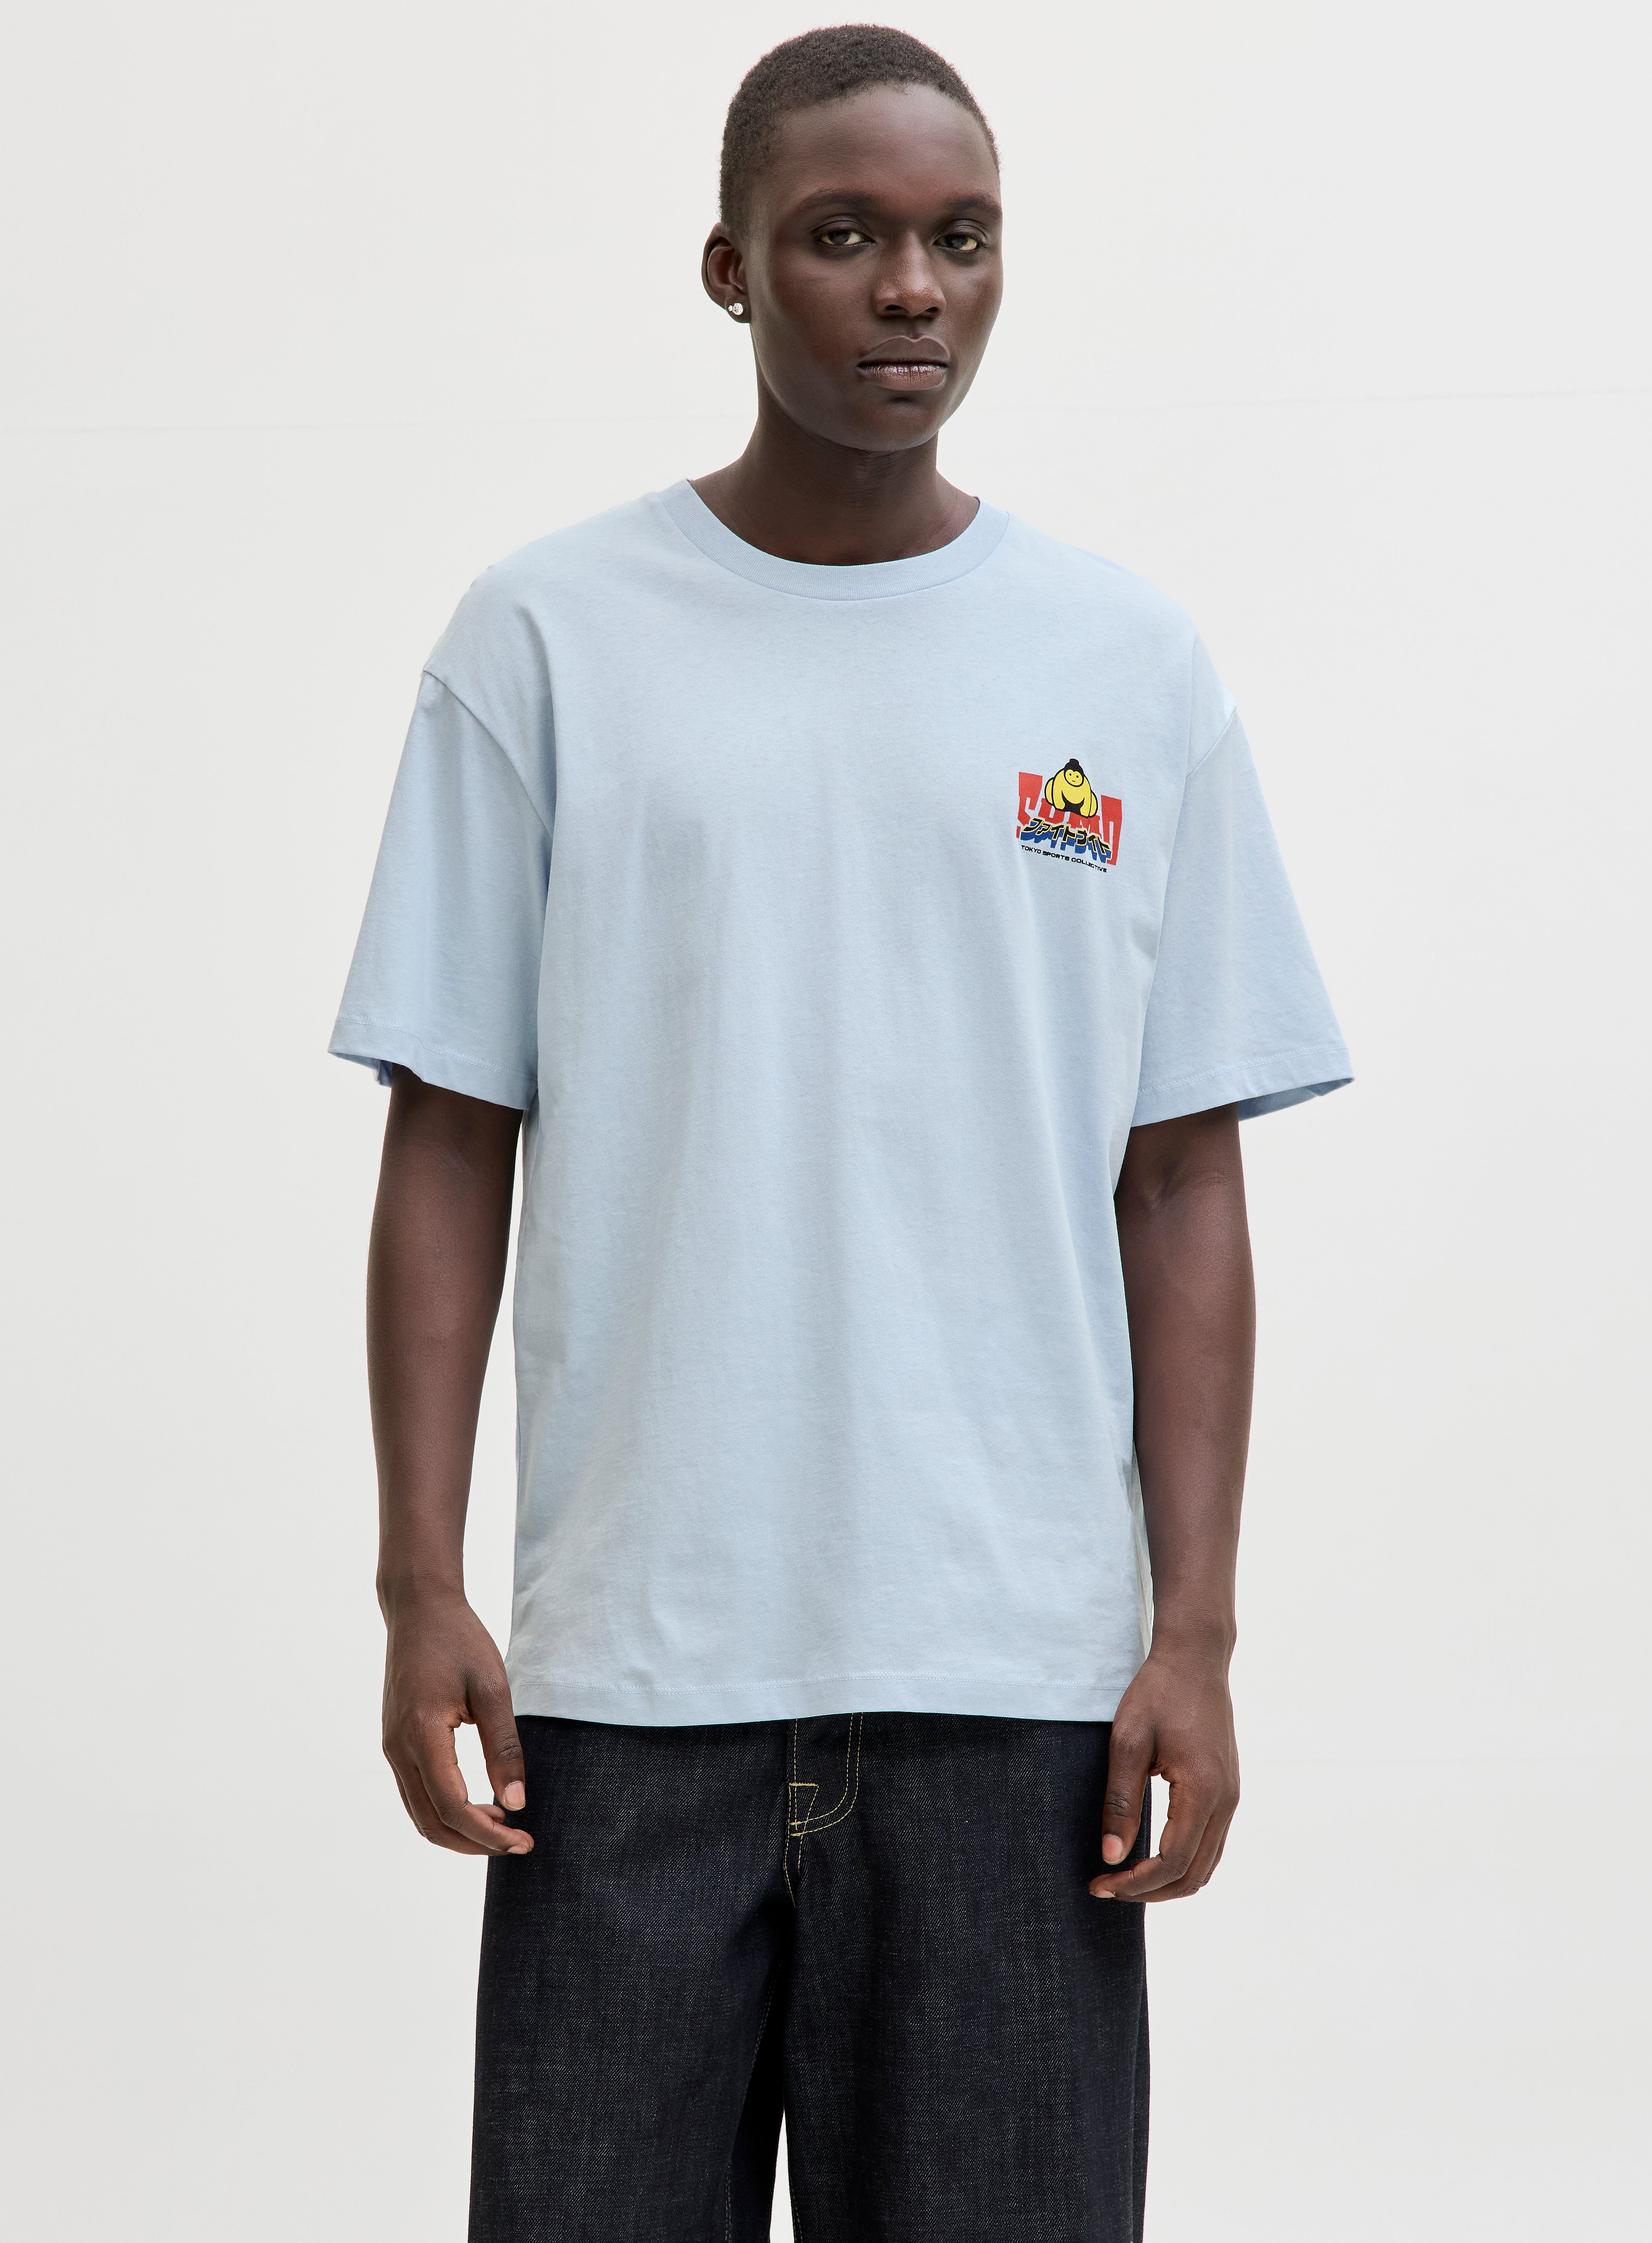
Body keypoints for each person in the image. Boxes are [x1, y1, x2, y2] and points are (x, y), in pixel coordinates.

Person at [330, 24, 1350, 2241]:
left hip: (1016, 1692)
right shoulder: (547, 640)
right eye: (843, 237)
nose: (911, 288)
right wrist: (420, 1579)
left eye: (959, 239)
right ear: (728, 266)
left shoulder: (1124, 665)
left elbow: (1181, 1179)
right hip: (632, 1688)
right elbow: (448, 1132)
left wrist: (1194, 1634)